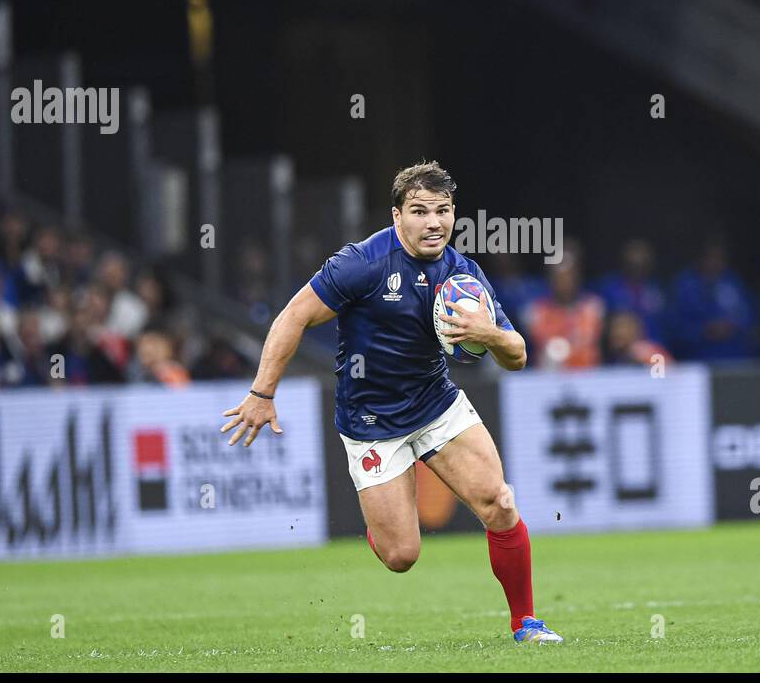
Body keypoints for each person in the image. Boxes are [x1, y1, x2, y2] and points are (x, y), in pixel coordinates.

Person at [221, 161, 562, 645]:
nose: (434, 222)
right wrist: (262, 392)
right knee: (401, 555)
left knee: (500, 502)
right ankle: (381, 526)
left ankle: (526, 624)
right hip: (370, 420)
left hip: (435, 404)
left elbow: (519, 356)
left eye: (443, 211)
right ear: (397, 215)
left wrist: (489, 333)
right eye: (420, 211)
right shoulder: (362, 262)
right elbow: (293, 317)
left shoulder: (462, 274)